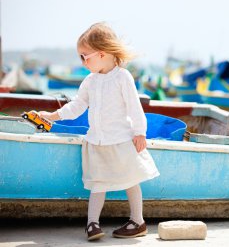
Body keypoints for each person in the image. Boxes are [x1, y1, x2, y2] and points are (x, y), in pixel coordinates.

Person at [39, 22, 160, 241]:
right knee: (98, 183)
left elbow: (134, 107)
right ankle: (92, 224)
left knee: (131, 179)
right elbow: (77, 106)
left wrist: (140, 132)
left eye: (85, 57)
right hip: (97, 141)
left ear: (102, 54)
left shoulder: (122, 77)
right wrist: (52, 116)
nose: (83, 62)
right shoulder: (90, 81)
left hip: (122, 140)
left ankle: (138, 221)